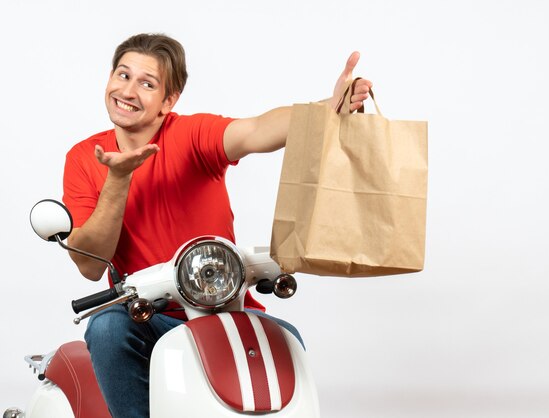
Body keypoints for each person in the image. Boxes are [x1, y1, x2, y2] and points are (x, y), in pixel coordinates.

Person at [62, 33, 372, 418]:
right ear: (109, 78)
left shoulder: (191, 135)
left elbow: (255, 131)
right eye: (123, 75)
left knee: (286, 340)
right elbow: (91, 265)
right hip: (146, 316)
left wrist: (327, 108)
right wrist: (118, 179)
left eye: (147, 83)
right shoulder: (84, 157)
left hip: (226, 308)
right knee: (106, 329)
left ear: (168, 100)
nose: (128, 90)